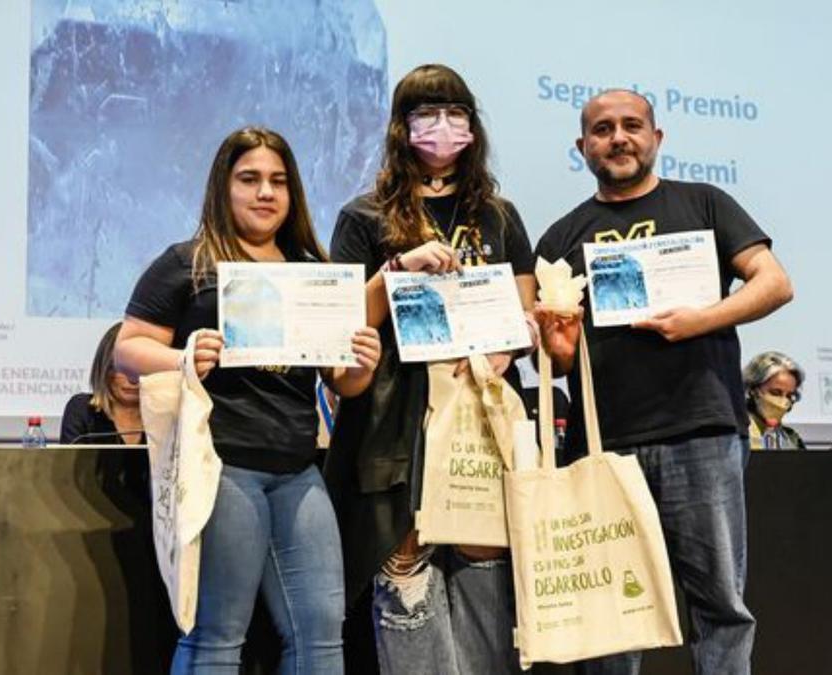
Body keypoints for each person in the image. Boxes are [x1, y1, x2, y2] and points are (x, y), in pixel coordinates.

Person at [535, 89, 793, 675]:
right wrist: (559, 349)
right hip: (605, 447)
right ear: (582, 147)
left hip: (701, 431)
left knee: (720, 609)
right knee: (609, 615)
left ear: (657, 138)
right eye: (602, 129)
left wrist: (702, 318)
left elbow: (774, 283)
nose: (618, 138)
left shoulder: (705, 204)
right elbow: (561, 357)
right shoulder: (561, 237)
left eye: (631, 125)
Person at [114, 127, 382, 674]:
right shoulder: (189, 263)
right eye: (250, 179)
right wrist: (184, 356)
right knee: (217, 633)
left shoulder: (314, 273)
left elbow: (341, 382)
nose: (266, 193)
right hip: (223, 465)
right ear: (223, 187)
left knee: (322, 633)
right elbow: (127, 348)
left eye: (278, 182)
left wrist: (360, 365)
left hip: (298, 469)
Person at [324, 64, 536, 675]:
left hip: (483, 416)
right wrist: (397, 271)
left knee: (484, 574)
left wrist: (514, 341)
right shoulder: (365, 217)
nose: (442, 127)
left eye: (455, 114)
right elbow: (340, 323)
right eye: (426, 114)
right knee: (405, 573)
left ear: (473, 127)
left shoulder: (499, 215)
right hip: (394, 422)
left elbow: (523, 313)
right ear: (400, 128)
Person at [61, 321, 143, 445]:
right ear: (104, 369)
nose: (132, 379)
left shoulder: (166, 417)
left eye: (140, 369)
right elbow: (70, 464)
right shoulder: (83, 411)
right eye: (122, 368)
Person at [742, 351, 806, 449]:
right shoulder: (734, 437)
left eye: (789, 395)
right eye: (775, 393)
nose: (783, 402)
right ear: (753, 390)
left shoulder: (792, 440)